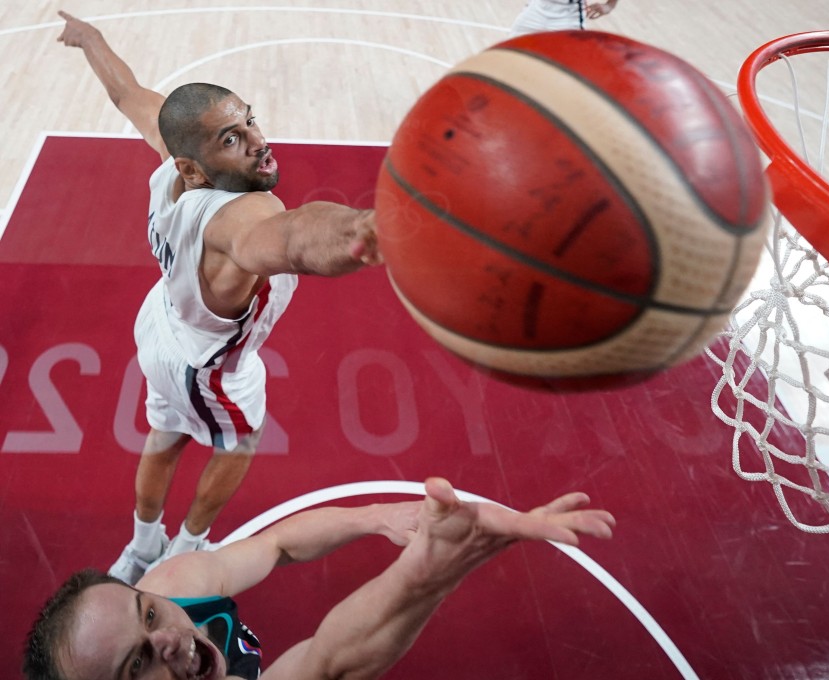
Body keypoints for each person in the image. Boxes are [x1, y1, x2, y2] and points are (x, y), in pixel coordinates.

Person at [57, 10, 384, 585]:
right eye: (233, 139)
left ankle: (140, 547)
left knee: (163, 435)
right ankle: (190, 544)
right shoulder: (243, 218)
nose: (260, 142)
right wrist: (363, 230)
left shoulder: (174, 158)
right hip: (206, 364)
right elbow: (295, 238)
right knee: (240, 440)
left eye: (251, 121)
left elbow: (125, 91)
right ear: (196, 167)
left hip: (159, 323)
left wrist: (89, 37)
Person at [22, 477, 616, 680]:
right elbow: (329, 661)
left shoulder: (172, 585)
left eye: (146, 615)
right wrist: (431, 572)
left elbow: (277, 544)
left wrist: (374, 517)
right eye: (137, 665)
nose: (167, 639)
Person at [509, 0, 620, 38]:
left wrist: (610, 5)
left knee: (566, 70)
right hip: (536, 11)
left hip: (568, 18)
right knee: (509, 54)